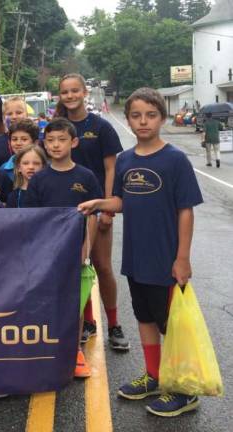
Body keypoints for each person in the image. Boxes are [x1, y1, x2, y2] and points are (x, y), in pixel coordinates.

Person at [78, 87, 203, 417]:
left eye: (150, 115)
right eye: (136, 115)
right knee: (145, 318)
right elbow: (121, 201)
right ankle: (155, 376)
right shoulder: (125, 160)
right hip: (136, 257)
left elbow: (185, 210)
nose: (143, 121)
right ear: (128, 120)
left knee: (171, 325)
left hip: (166, 259)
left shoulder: (175, 159)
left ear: (162, 118)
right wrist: (100, 203)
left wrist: (182, 257)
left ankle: (183, 389)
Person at [25, 118, 102, 378]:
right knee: (47, 302)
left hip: (76, 251)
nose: (56, 145)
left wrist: (86, 248)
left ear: (74, 142)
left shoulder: (86, 176)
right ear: (43, 144)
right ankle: (47, 349)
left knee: (75, 303)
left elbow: (93, 215)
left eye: (62, 140)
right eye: (51, 140)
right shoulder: (39, 180)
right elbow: (34, 220)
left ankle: (74, 351)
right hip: (47, 253)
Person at [56, 73, 128, 351]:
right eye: (65, 92)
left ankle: (114, 324)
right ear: (60, 95)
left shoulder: (100, 127)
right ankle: (87, 322)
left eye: (75, 90)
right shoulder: (55, 127)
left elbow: (111, 168)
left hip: (96, 209)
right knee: (75, 268)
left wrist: (108, 207)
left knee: (102, 266)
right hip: (66, 212)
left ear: (85, 92)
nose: (71, 96)